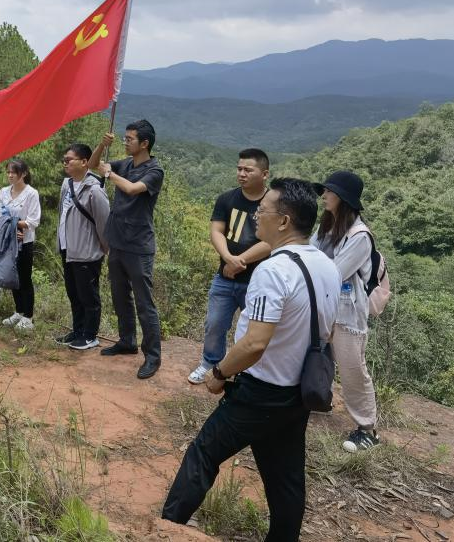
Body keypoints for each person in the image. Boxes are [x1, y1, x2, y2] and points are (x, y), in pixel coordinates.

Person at [161, 178, 339, 542]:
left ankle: (165, 528)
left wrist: (218, 372)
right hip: (296, 393)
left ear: (285, 221)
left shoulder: (273, 270)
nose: (257, 217)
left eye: (264, 211)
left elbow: (255, 343)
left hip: (259, 391)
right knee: (286, 478)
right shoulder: (326, 266)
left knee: (203, 454)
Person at [188, 149, 272, 384]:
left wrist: (239, 261)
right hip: (224, 277)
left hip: (258, 281)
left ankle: (247, 371)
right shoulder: (227, 198)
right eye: (239, 169)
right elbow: (216, 231)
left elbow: (271, 241)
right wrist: (228, 258)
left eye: (248, 170)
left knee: (253, 331)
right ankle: (210, 362)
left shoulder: (273, 203)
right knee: (214, 323)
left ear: (264, 174)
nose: (242, 174)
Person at [313, 170, 381, 454]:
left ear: (342, 198)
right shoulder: (326, 227)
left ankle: (368, 430)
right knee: (313, 355)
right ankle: (315, 399)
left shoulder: (360, 235)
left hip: (346, 313)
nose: (324, 196)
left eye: (329, 192)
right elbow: (311, 254)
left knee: (353, 368)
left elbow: (335, 272)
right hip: (322, 306)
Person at [95, 119, 165, 379]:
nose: (125, 142)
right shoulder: (125, 163)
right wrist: (102, 147)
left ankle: (153, 357)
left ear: (144, 143)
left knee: (144, 303)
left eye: (129, 139)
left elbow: (133, 189)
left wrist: (108, 173)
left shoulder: (154, 170)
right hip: (118, 241)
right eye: (124, 138)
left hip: (139, 246)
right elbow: (93, 165)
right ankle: (127, 341)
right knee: (119, 295)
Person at [58, 144, 111, 351]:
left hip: (87, 252)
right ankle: (77, 331)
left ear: (84, 162)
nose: (65, 163)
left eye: (69, 159)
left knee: (88, 295)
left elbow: (104, 224)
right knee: (74, 293)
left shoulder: (95, 190)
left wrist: (104, 251)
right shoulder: (66, 185)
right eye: (64, 159)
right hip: (67, 248)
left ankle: (90, 335)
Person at [0, 158, 41, 331]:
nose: (10, 175)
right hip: (8, 241)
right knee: (13, 276)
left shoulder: (31, 193)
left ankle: (28, 316)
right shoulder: (4, 192)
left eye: (14, 172)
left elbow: (33, 221)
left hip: (25, 242)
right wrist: (14, 225)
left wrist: (15, 224)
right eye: (8, 172)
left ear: (24, 174)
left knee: (25, 278)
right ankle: (18, 311)